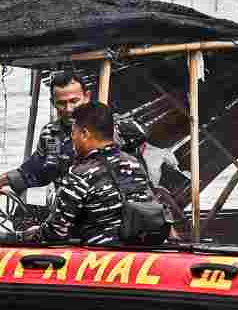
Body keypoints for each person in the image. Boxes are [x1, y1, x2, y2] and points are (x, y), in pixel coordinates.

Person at [0, 70, 148, 195]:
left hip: (115, 212)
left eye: (74, 101)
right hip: (70, 211)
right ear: (53, 103)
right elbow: (39, 171)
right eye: (62, 103)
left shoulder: (114, 126)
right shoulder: (51, 134)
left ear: (87, 97)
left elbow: (145, 147)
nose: (69, 109)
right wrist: (1, 180)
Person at [31, 102, 164, 246]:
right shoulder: (134, 164)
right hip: (139, 252)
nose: (73, 139)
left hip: (100, 257)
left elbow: (56, 232)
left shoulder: (80, 174)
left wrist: (25, 236)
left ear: (84, 134)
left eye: (73, 133)